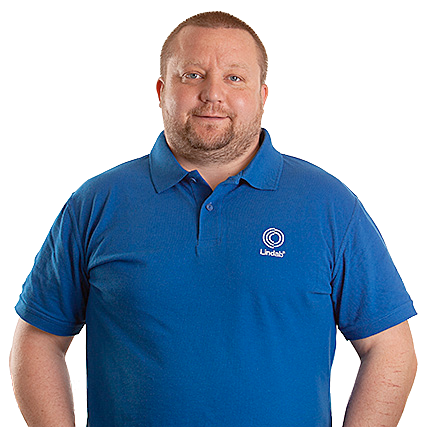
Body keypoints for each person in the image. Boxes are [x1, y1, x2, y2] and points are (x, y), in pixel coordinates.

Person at [10, 11, 417, 427]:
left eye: (234, 78)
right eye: (192, 75)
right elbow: (39, 340)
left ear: (262, 95)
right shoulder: (96, 203)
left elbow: (390, 349)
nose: (212, 94)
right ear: (162, 90)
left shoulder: (329, 204)